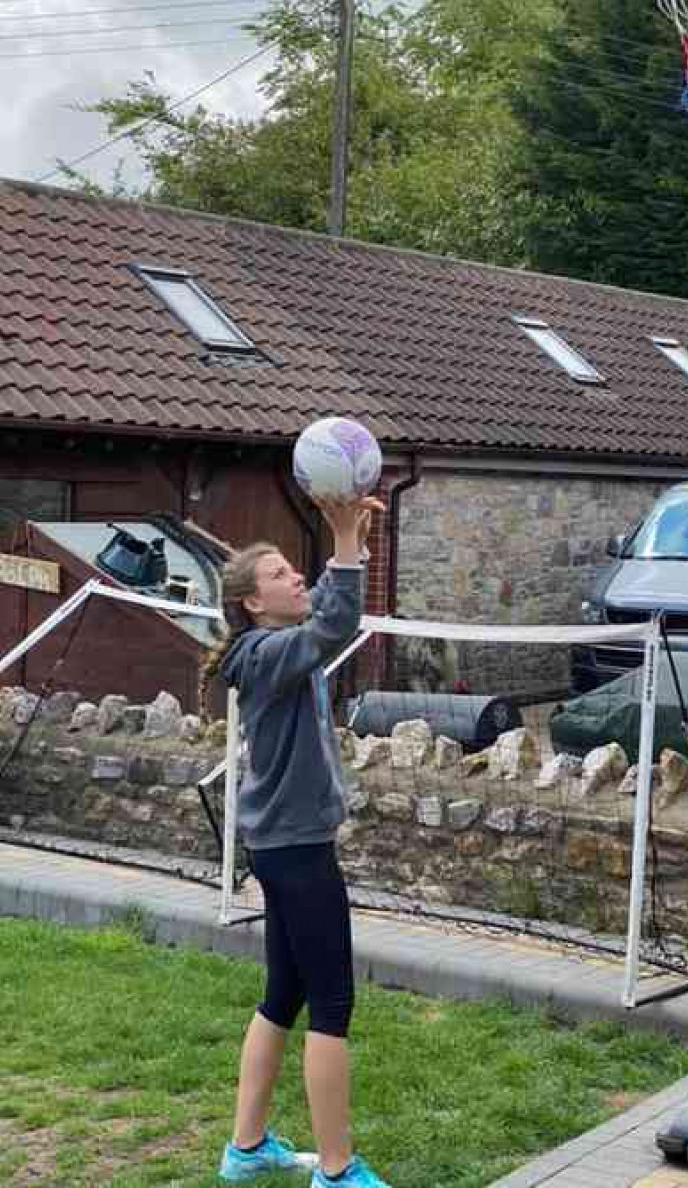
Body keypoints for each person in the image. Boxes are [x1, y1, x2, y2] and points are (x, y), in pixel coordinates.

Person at [201, 495, 390, 1187]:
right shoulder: (269, 654)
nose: (297, 578)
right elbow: (336, 624)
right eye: (282, 574)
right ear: (253, 602)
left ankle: (245, 1150)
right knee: (332, 1002)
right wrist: (344, 542)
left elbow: (326, 620)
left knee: (284, 992)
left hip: (282, 845)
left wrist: (352, 548)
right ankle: (338, 1173)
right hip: (296, 850)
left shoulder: (269, 650)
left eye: (296, 569)